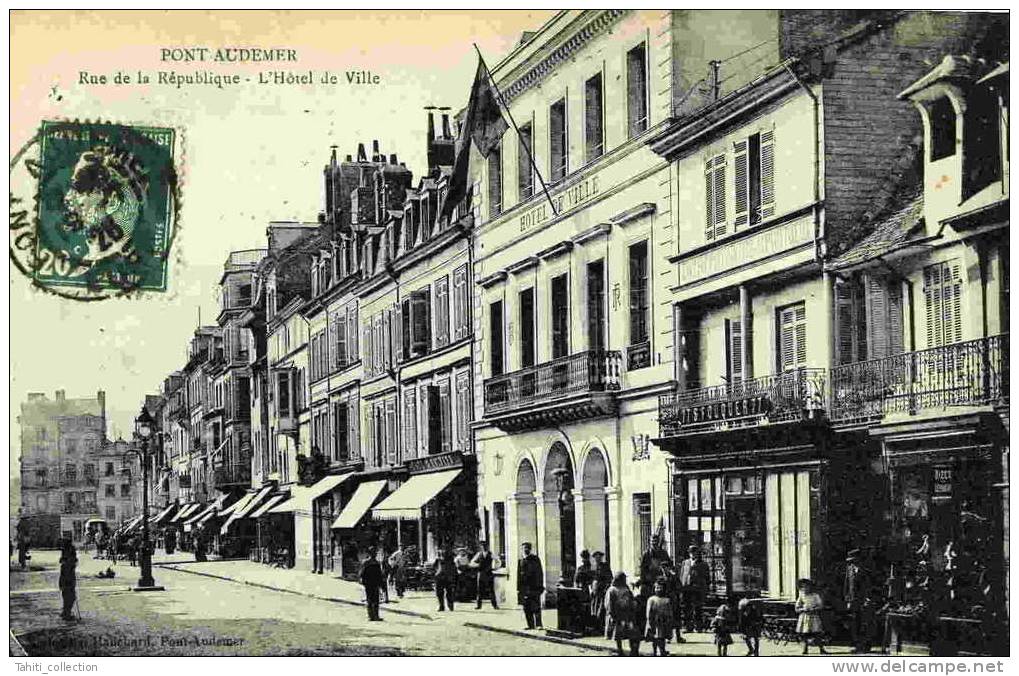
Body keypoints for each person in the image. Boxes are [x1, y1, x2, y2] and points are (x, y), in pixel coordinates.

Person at [605, 571, 639, 656]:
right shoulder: (612, 590)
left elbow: (631, 599)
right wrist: (611, 613)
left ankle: (633, 650)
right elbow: (609, 603)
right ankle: (619, 650)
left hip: (627, 615)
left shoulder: (626, 589)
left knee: (631, 632)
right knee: (618, 634)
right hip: (617, 615)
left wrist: (633, 606)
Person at [843, 549, 870, 653]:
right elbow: (847, 585)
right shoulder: (849, 569)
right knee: (854, 623)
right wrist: (847, 599)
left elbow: (868, 586)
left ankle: (865, 646)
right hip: (853, 601)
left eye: (854, 560)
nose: (852, 563)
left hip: (863, 600)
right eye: (851, 561)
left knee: (864, 623)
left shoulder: (865, 570)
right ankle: (857, 644)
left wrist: (867, 599)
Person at [679, 545, 710, 632]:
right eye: (691, 552)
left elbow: (707, 577)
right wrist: (682, 585)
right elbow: (682, 574)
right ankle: (688, 626)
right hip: (686, 588)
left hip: (697, 588)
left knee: (698, 608)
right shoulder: (685, 562)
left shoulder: (703, 564)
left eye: (694, 552)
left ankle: (698, 626)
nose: (692, 554)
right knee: (686, 608)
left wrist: (705, 588)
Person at [795, 578, 827, 655]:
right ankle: (805, 649)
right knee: (805, 634)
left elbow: (821, 605)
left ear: (810, 587)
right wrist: (802, 609)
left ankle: (821, 649)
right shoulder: (802, 596)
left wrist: (814, 609)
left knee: (817, 633)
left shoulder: (815, 596)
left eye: (807, 587)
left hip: (813, 616)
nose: (805, 589)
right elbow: (797, 606)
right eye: (803, 587)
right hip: (805, 616)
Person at [516, 542, 544, 630]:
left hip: (534, 587)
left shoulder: (535, 559)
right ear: (522, 549)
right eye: (524, 548)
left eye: (527, 548)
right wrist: (518, 588)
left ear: (530, 549)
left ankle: (539, 624)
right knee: (526, 607)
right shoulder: (520, 561)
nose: (526, 550)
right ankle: (530, 625)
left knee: (536, 606)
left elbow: (539, 573)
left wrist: (540, 586)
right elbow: (518, 576)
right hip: (524, 588)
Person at [645, 579, 675, 656]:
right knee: (655, 638)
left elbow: (669, 611)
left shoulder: (667, 600)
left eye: (660, 588)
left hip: (664, 621)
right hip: (654, 621)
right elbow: (649, 611)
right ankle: (655, 650)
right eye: (656, 588)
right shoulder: (651, 599)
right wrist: (649, 619)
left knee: (662, 637)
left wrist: (670, 619)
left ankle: (662, 650)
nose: (658, 590)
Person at [471, 540, 498, 609]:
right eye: (482, 546)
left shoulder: (491, 554)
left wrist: (495, 568)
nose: (484, 547)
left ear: (487, 546)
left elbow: (498, 561)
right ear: (481, 547)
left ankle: (494, 605)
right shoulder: (478, 554)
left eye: (485, 546)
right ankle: (478, 605)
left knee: (491, 590)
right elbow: (472, 562)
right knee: (479, 590)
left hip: (489, 574)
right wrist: (477, 565)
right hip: (481, 573)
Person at [360, 546, 384, 621]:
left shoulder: (375, 563)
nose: (374, 554)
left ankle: (375, 615)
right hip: (370, 583)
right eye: (373, 553)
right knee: (371, 600)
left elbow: (379, 574)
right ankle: (371, 615)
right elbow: (362, 573)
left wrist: (381, 583)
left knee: (375, 600)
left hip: (373, 583)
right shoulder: (367, 563)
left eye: (375, 553)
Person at [432, 545, 457, 611]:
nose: (443, 552)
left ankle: (450, 605)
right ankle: (441, 606)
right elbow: (434, 567)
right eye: (441, 551)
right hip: (439, 577)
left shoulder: (450, 560)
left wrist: (453, 576)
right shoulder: (438, 560)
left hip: (448, 577)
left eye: (444, 551)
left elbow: (454, 568)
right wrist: (436, 573)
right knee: (439, 593)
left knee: (449, 592)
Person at [58, 538, 78, 621]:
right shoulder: (69, 560)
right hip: (68, 578)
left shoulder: (64, 558)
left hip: (65, 578)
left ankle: (65, 612)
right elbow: (72, 563)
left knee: (66, 595)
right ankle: (67, 613)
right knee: (70, 596)